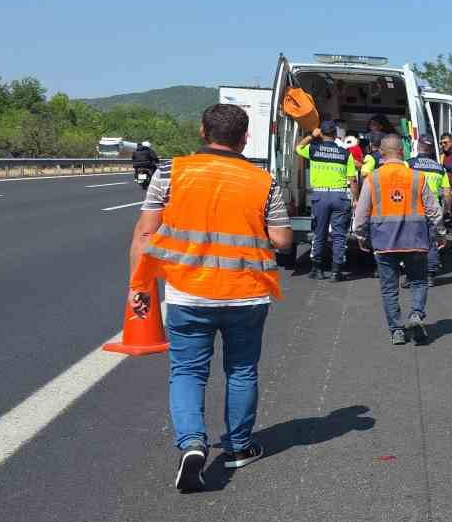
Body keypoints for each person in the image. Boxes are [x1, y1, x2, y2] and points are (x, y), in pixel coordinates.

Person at [129, 103, 293, 492]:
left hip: (189, 292)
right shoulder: (263, 181)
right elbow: (284, 240)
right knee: (241, 370)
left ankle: (192, 445)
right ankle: (238, 447)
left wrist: (140, 288)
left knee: (187, 371)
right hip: (246, 294)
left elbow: (144, 234)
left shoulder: (170, 172)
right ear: (245, 138)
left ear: (203, 131)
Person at [352, 134, 447, 345]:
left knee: (389, 287)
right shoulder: (417, 177)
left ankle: (396, 330)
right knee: (419, 281)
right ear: (402, 152)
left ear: (381, 153)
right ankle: (415, 315)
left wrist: (361, 236)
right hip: (416, 240)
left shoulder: (373, 178)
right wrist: (440, 233)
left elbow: (361, 214)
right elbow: (434, 210)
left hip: (384, 242)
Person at [295, 120, 358, 280]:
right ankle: (336, 271)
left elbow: (298, 148)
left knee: (319, 233)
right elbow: (352, 180)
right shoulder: (346, 153)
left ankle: (317, 269)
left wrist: (311, 136)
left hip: (320, 197)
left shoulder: (314, 149)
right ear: (336, 135)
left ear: (321, 133)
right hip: (340, 196)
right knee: (339, 235)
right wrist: (355, 198)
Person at [408, 137, 451, 280]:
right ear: (432, 149)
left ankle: (412, 275)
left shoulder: (409, 164)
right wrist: (446, 210)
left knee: (412, 241)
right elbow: (446, 192)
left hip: (413, 207)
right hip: (433, 208)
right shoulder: (440, 168)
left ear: (418, 147)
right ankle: (431, 273)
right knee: (431, 240)